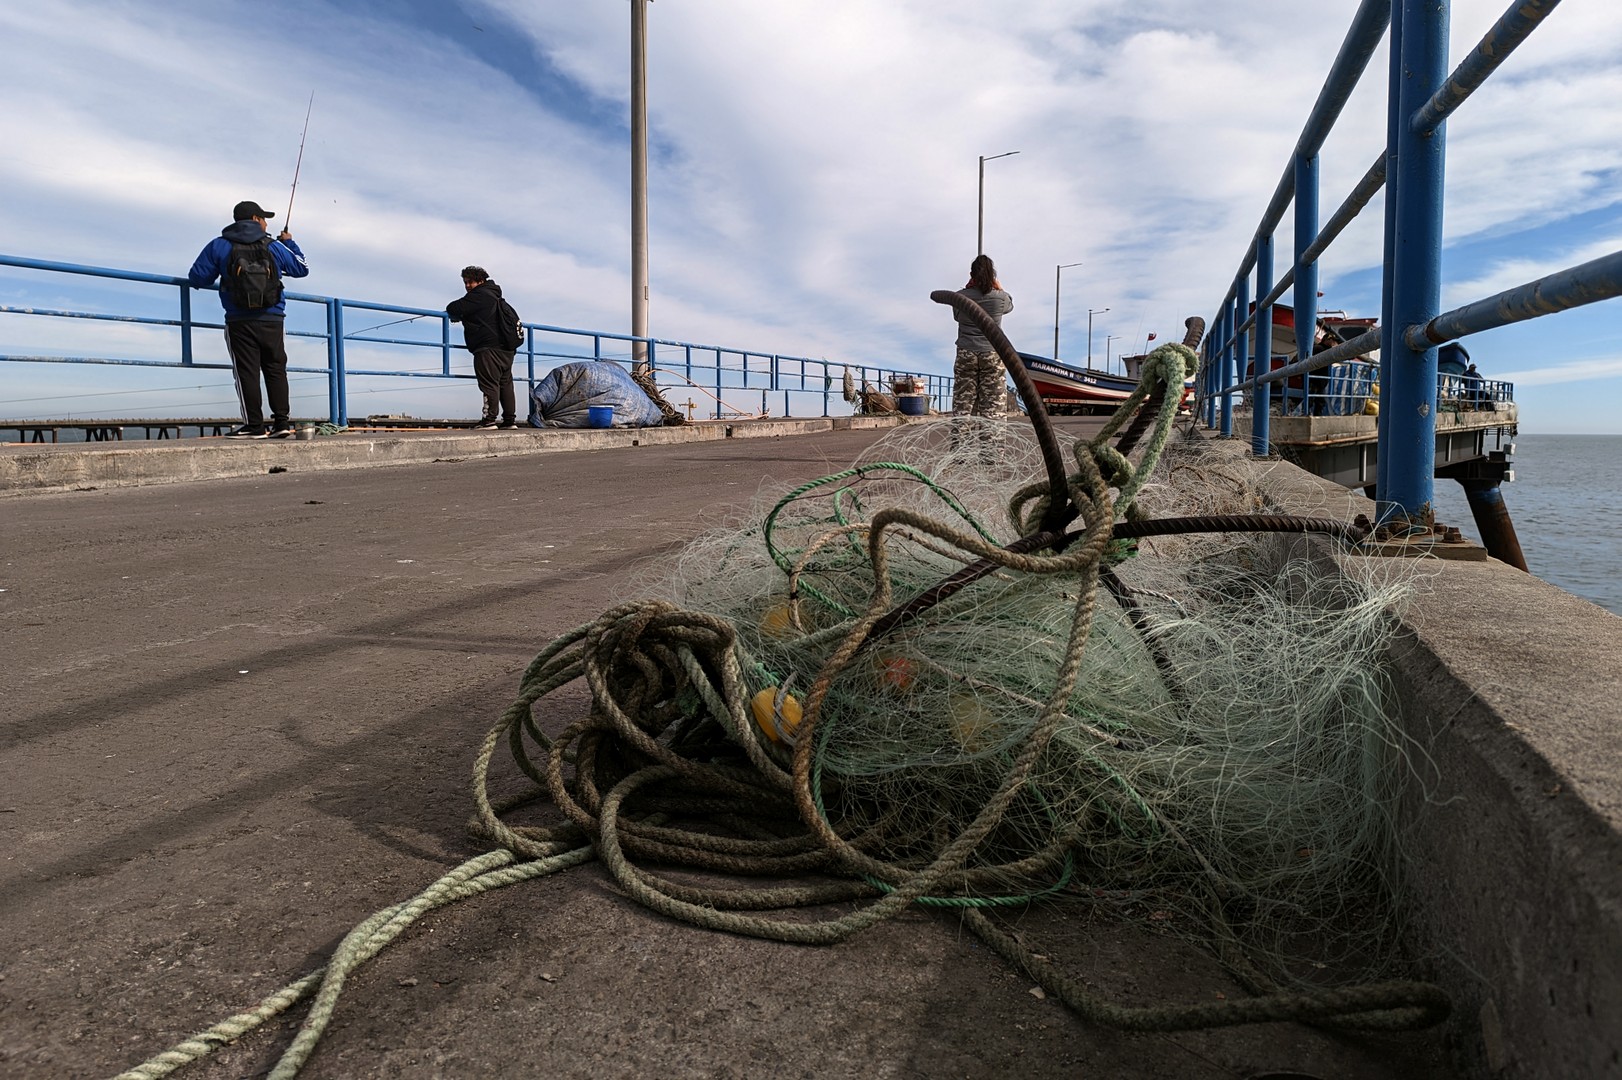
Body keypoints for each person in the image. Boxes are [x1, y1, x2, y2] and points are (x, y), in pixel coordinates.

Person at [188, 200, 310, 438]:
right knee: (276, 369)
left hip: (239, 320)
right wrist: (289, 242)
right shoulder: (273, 245)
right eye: (264, 219)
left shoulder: (219, 244)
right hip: (273, 317)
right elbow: (301, 268)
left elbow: (197, 277)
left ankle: (255, 426)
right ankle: (281, 424)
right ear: (255, 219)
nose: (266, 224)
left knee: (246, 372)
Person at [446, 266, 519, 429]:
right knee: (505, 383)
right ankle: (509, 421)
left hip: (488, 347)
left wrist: (460, 315)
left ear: (480, 281)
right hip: (506, 348)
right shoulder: (495, 296)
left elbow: (453, 307)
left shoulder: (479, 295)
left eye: (470, 282)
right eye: (465, 282)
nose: (467, 286)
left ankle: (489, 419)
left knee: (489, 383)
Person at [951, 254, 1013, 422]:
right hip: (991, 352)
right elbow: (1009, 307)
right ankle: (992, 438)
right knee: (993, 409)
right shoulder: (1000, 298)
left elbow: (957, 317)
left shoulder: (959, 297)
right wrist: (999, 288)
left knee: (963, 406)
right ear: (992, 275)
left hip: (966, 352)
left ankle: (962, 438)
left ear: (971, 275)